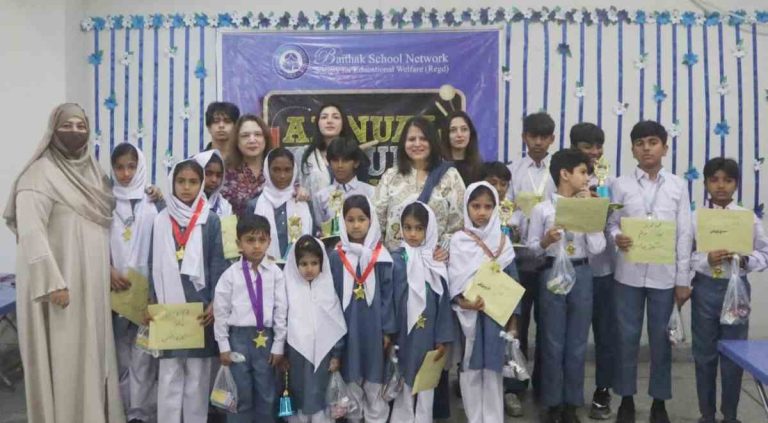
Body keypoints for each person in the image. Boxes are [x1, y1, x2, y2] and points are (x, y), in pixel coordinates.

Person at [4, 103, 123, 423]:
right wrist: (52, 282)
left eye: (81, 125)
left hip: (93, 285)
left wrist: (109, 267)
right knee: (66, 356)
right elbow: (31, 232)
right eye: (66, 126)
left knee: (94, 355)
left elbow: (100, 229)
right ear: (52, 130)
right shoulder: (38, 174)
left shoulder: (93, 172)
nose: (74, 132)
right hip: (60, 288)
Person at [607, 121, 693, 423]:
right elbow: (611, 223)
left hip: (664, 278)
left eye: (653, 142)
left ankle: (659, 402)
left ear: (664, 148)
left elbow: (684, 234)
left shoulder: (677, 186)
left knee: (662, 340)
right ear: (632, 148)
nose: (646, 148)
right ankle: (626, 400)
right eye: (640, 142)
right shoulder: (620, 185)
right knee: (626, 338)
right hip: (627, 275)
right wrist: (616, 236)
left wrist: (683, 280)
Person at [527, 149, 607, 423]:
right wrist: (546, 241)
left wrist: (590, 216)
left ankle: (572, 402)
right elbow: (531, 250)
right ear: (564, 174)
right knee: (551, 340)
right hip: (551, 273)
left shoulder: (589, 204)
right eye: (583, 172)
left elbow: (598, 248)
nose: (587, 178)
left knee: (576, 342)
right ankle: (551, 402)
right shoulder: (543, 209)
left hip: (582, 272)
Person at [690, 158, 768, 423]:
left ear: (736, 184)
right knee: (704, 355)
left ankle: (731, 415)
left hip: (737, 289)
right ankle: (707, 414)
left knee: (734, 353)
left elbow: (765, 254)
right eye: (714, 180)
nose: (721, 186)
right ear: (706, 183)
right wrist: (705, 260)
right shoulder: (695, 218)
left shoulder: (748, 218)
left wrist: (745, 260)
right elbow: (684, 256)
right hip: (705, 290)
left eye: (727, 180)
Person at [150, 159, 227, 423]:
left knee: (197, 374)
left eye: (193, 182)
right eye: (181, 181)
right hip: (168, 308)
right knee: (170, 372)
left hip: (200, 307)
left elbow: (218, 263)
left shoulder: (211, 219)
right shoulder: (160, 219)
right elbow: (152, 264)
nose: (186, 187)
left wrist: (215, 302)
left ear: (201, 183)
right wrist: (151, 303)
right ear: (172, 183)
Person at [449, 182, 520, 423]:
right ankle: (473, 418)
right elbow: (452, 280)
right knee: (470, 369)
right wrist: (463, 302)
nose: (481, 212)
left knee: (493, 369)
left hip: (495, 317)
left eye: (488, 206)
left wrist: (512, 322)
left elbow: (513, 283)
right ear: (466, 206)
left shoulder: (503, 242)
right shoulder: (458, 241)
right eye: (476, 206)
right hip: (467, 317)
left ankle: (492, 418)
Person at [213, 214, 288, 423]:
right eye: (250, 240)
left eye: (262, 240)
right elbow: (221, 311)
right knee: (240, 391)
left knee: (267, 392)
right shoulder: (230, 275)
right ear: (239, 244)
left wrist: (279, 344)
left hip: (267, 338)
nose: (256, 246)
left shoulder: (275, 273)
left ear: (269, 242)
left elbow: (281, 310)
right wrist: (223, 345)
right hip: (238, 338)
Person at [504, 112, 557, 398]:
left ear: (552, 139)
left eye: (543, 137)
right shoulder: (513, 171)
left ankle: (544, 387)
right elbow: (506, 208)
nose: (538, 142)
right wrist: (515, 222)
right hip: (519, 260)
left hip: (550, 260)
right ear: (524, 137)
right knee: (517, 327)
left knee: (549, 328)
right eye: (532, 136)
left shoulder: (559, 171)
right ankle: (515, 386)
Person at [328, 195, 395, 423]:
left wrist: (387, 330)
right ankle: (354, 417)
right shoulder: (335, 258)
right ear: (342, 222)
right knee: (351, 378)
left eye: (361, 219)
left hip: (374, 330)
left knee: (374, 381)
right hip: (346, 330)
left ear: (371, 220)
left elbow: (388, 296)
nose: (356, 225)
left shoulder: (382, 257)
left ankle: (376, 418)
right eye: (350, 220)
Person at [391, 202, 455, 423]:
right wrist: (390, 332)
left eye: (419, 228)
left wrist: (442, 338)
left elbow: (444, 302)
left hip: (428, 333)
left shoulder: (436, 262)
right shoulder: (396, 260)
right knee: (403, 380)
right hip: (403, 333)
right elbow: (389, 299)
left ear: (429, 230)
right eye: (407, 228)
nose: (412, 234)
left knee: (426, 382)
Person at [570, 122, 617, 419]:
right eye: (588, 146)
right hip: (572, 271)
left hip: (603, 271)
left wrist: (606, 212)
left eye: (599, 146)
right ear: (574, 148)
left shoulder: (609, 182)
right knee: (570, 339)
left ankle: (603, 391)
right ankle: (567, 395)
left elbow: (615, 225)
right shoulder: (561, 180)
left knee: (605, 336)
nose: (595, 152)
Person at [109, 143, 159, 423]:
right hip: (114, 287)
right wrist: (108, 269)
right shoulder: (103, 201)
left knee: (144, 353)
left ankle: (140, 412)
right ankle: (120, 408)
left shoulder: (153, 199)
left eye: (131, 166)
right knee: (119, 353)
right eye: (119, 167)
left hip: (145, 288)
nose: (126, 173)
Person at [372, 116, 465, 252]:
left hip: (434, 262)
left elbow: (460, 223)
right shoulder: (390, 176)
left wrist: (445, 249)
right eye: (411, 139)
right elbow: (376, 220)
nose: (417, 144)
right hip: (397, 263)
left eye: (423, 139)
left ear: (432, 142)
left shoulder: (450, 176)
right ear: (403, 144)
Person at [283, 235, 347, 423]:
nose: (309, 268)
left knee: (320, 393)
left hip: (324, 357)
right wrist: (284, 353)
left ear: (322, 263)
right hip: (296, 357)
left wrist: (336, 355)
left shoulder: (327, 289)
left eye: (314, 263)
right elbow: (283, 323)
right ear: (295, 265)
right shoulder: (289, 289)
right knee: (300, 391)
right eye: (303, 263)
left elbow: (335, 323)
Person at [480, 161, 525, 417]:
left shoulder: (514, 213)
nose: (497, 189)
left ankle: (511, 389)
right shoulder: (475, 214)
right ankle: (478, 395)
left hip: (509, 277)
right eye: (492, 182)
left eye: (503, 184)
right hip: (480, 289)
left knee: (510, 337)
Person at [246, 148, 315, 260]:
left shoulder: (303, 202)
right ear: (267, 171)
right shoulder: (254, 205)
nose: (282, 176)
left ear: (294, 171)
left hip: (300, 270)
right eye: (276, 170)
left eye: (287, 170)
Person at [300, 104, 367, 196]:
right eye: (324, 117)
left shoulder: (356, 154)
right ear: (317, 123)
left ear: (343, 122)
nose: (329, 121)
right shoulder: (305, 155)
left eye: (335, 117)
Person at [312, 137, 374, 225]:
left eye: (345, 160)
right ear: (329, 162)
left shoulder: (370, 193)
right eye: (335, 160)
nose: (340, 165)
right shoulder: (321, 196)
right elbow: (320, 228)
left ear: (356, 163)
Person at [221, 114, 271, 216]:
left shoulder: (277, 170)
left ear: (265, 138)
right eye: (245, 136)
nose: (252, 140)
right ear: (237, 141)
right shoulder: (225, 173)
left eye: (257, 134)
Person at [441, 110, 483, 185]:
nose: (459, 135)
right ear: (446, 134)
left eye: (464, 129)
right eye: (453, 130)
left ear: (471, 133)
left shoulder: (480, 167)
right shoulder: (438, 166)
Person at [194, 149, 233, 217]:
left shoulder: (224, 206)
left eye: (218, 175)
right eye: (208, 173)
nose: (214, 180)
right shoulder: (185, 202)